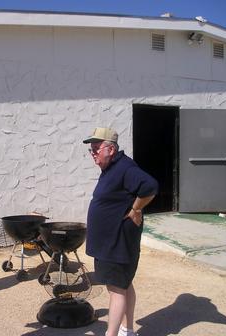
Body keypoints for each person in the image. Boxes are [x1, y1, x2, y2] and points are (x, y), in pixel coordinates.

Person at [83, 127, 158, 336]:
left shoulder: (125, 168)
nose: (93, 153)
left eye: (97, 148)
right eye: (91, 150)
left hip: (116, 242)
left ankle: (112, 334)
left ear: (111, 149)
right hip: (112, 242)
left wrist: (135, 209)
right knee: (124, 285)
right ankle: (128, 329)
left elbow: (150, 186)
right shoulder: (112, 168)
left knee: (116, 290)